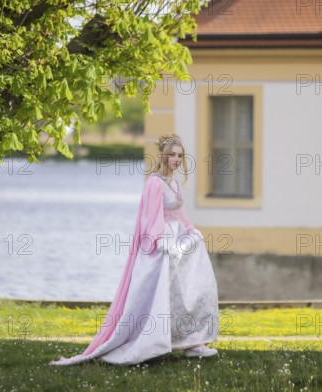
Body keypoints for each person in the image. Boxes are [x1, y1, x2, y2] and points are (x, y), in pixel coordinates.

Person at [49, 133, 220, 366]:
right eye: (172, 155)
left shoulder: (175, 182)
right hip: (159, 245)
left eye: (180, 155)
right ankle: (150, 341)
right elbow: (150, 218)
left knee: (182, 292)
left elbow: (180, 214)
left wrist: (191, 231)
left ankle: (191, 342)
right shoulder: (154, 183)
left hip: (176, 241)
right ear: (163, 156)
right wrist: (162, 243)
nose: (177, 159)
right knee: (156, 296)